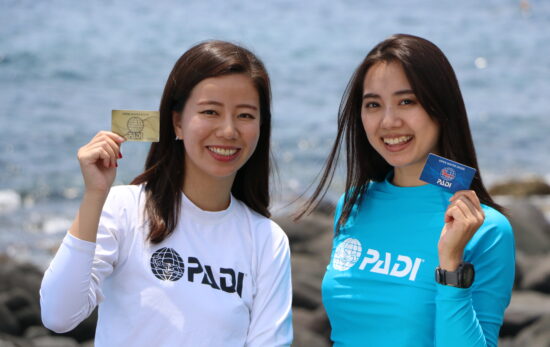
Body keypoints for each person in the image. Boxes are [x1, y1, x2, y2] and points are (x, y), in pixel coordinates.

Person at [40, 40, 293, 347]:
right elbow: (58, 314)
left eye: (245, 115)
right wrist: (95, 195)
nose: (228, 131)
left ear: (261, 126)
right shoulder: (125, 209)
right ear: (178, 122)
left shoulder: (267, 240)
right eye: (210, 111)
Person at [300, 34, 515, 346]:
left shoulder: (486, 229)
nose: (388, 121)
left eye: (406, 101)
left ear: (440, 108)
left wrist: (451, 265)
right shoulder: (353, 204)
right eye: (373, 104)